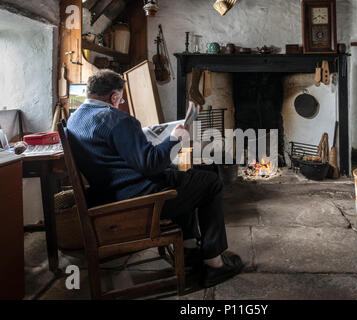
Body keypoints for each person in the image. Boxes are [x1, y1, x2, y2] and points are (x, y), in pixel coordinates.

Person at [67, 69, 243, 288]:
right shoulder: (116, 119)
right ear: (113, 97)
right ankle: (214, 263)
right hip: (139, 201)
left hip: (110, 195)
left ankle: (189, 251)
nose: (120, 103)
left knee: (185, 178)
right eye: (120, 99)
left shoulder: (74, 120)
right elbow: (150, 165)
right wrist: (174, 139)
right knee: (211, 182)